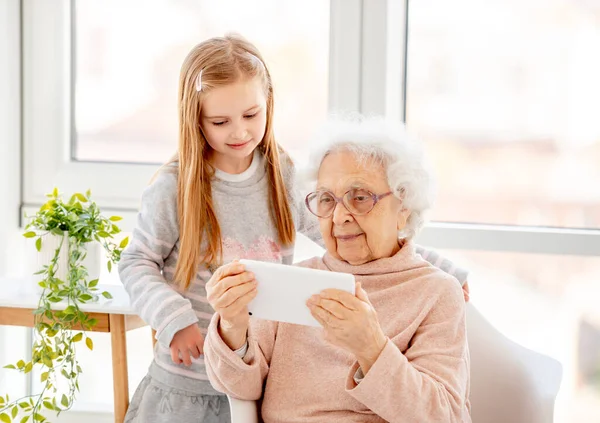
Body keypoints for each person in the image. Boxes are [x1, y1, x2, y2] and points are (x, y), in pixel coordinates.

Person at [119, 34, 469, 423]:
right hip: (190, 374)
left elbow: (350, 236)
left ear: (269, 103)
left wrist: (442, 272)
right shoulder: (176, 187)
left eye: (251, 115)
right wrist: (175, 320)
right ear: (195, 120)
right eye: (220, 121)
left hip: (246, 372)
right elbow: (136, 262)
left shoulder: (280, 177)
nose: (239, 133)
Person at [203, 117, 472, 422]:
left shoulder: (437, 293)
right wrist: (232, 326)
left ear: (404, 208)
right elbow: (240, 389)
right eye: (327, 200)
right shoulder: (292, 281)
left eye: (360, 198)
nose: (340, 216)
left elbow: (444, 417)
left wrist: (371, 348)